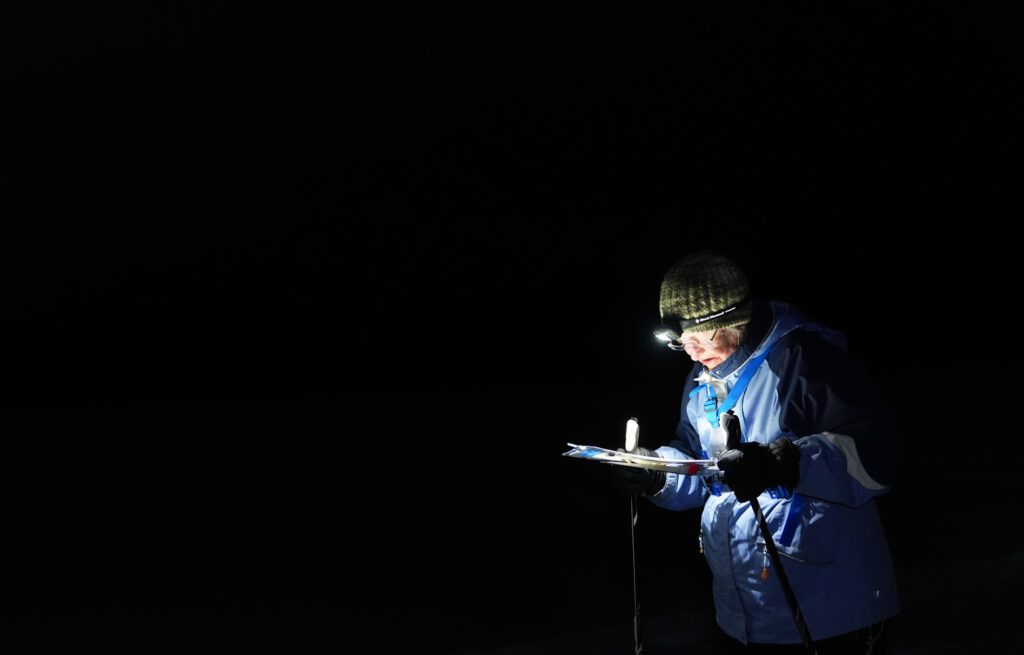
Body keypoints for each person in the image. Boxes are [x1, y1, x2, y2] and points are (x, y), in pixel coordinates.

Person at [612, 250, 903, 654]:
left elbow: (875, 456)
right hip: (745, 613)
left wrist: (782, 463)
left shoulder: (803, 358)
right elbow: (702, 464)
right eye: (681, 343)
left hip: (829, 613)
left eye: (698, 338)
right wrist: (657, 471)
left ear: (733, 322)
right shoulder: (704, 374)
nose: (691, 353)